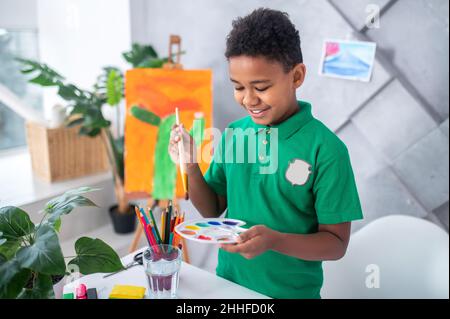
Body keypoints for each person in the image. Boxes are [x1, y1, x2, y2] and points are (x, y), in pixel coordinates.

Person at [169, 8, 363, 299]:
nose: (248, 99)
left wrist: (275, 240)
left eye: (261, 87)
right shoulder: (235, 134)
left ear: (296, 76)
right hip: (228, 286)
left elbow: (336, 244)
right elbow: (212, 209)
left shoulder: (327, 150)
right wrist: (191, 165)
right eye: (238, 87)